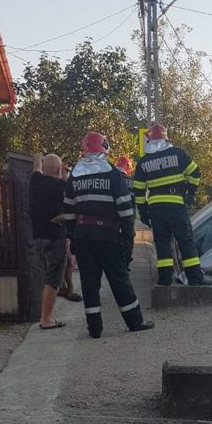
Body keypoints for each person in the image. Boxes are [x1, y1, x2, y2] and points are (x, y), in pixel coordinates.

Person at [60, 132, 154, 339]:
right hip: (108, 235)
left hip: (84, 236)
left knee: (89, 282)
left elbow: (68, 211)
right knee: (119, 278)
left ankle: (94, 328)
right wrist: (127, 240)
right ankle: (134, 321)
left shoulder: (75, 175)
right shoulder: (113, 174)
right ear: (104, 148)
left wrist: (73, 238)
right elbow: (126, 212)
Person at [133, 123, 203, 285]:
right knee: (186, 242)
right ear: (166, 137)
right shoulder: (178, 154)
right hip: (177, 206)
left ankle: (165, 280)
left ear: (149, 140)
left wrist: (143, 213)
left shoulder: (144, 162)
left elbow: (139, 191)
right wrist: (190, 193)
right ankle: (195, 279)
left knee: (162, 243)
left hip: (156, 209)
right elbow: (195, 173)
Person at [29, 152, 69, 330]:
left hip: (38, 237)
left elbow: (37, 168)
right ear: (59, 169)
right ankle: (46, 319)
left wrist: (38, 158)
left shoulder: (35, 182)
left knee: (42, 276)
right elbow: (73, 208)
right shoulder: (62, 186)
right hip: (55, 237)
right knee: (53, 279)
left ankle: (41, 314)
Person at [114, 155, 135, 266]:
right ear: (127, 166)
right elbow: (134, 199)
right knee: (128, 236)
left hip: (113, 214)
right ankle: (126, 260)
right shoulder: (130, 181)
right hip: (128, 214)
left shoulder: (112, 177)